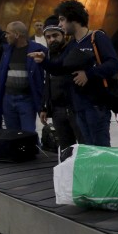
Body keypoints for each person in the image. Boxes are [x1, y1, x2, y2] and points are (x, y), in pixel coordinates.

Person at [31, 0, 118, 147]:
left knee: (100, 150)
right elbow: (60, 68)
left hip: (96, 106)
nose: (60, 24)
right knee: (87, 149)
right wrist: (44, 62)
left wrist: (89, 74)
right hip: (78, 107)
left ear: (74, 18)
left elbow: (113, 64)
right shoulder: (72, 44)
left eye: (62, 20)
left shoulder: (97, 37)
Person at [39, 16, 88, 149]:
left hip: (75, 109)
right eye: (48, 37)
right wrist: (44, 107)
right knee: (66, 149)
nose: (52, 40)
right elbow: (47, 82)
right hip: (57, 110)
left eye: (55, 35)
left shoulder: (74, 50)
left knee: (85, 147)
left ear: (63, 35)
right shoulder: (48, 55)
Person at [0, 21, 46, 132]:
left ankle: (33, 149)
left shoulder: (38, 49)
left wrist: (43, 105)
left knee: (28, 133)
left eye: (8, 33)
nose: (5, 36)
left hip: (27, 100)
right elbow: (0, 75)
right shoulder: (7, 51)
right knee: (13, 134)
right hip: (8, 99)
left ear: (17, 34)